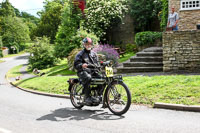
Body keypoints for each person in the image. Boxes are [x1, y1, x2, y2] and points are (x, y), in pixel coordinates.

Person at [74, 37, 100, 105]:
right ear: (84, 45)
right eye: (87, 44)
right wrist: (82, 65)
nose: (88, 45)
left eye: (90, 44)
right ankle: (87, 97)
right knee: (88, 77)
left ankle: (98, 95)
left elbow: (97, 63)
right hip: (82, 71)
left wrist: (102, 65)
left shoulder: (94, 54)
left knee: (102, 78)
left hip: (93, 71)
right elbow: (76, 65)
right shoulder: (80, 54)